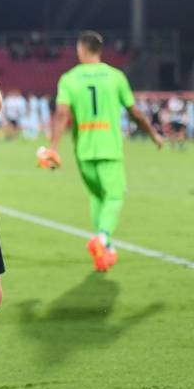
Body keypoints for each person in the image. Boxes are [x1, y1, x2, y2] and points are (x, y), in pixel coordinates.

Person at [42, 30, 163, 271]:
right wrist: (153, 134)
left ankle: (104, 254)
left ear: (82, 49)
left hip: (83, 150)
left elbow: (63, 114)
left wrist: (53, 148)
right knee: (115, 195)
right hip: (109, 147)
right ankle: (104, 239)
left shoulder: (69, 78)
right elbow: (134, 112)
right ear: (99, 50)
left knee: (97, 197)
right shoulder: (115, 76)